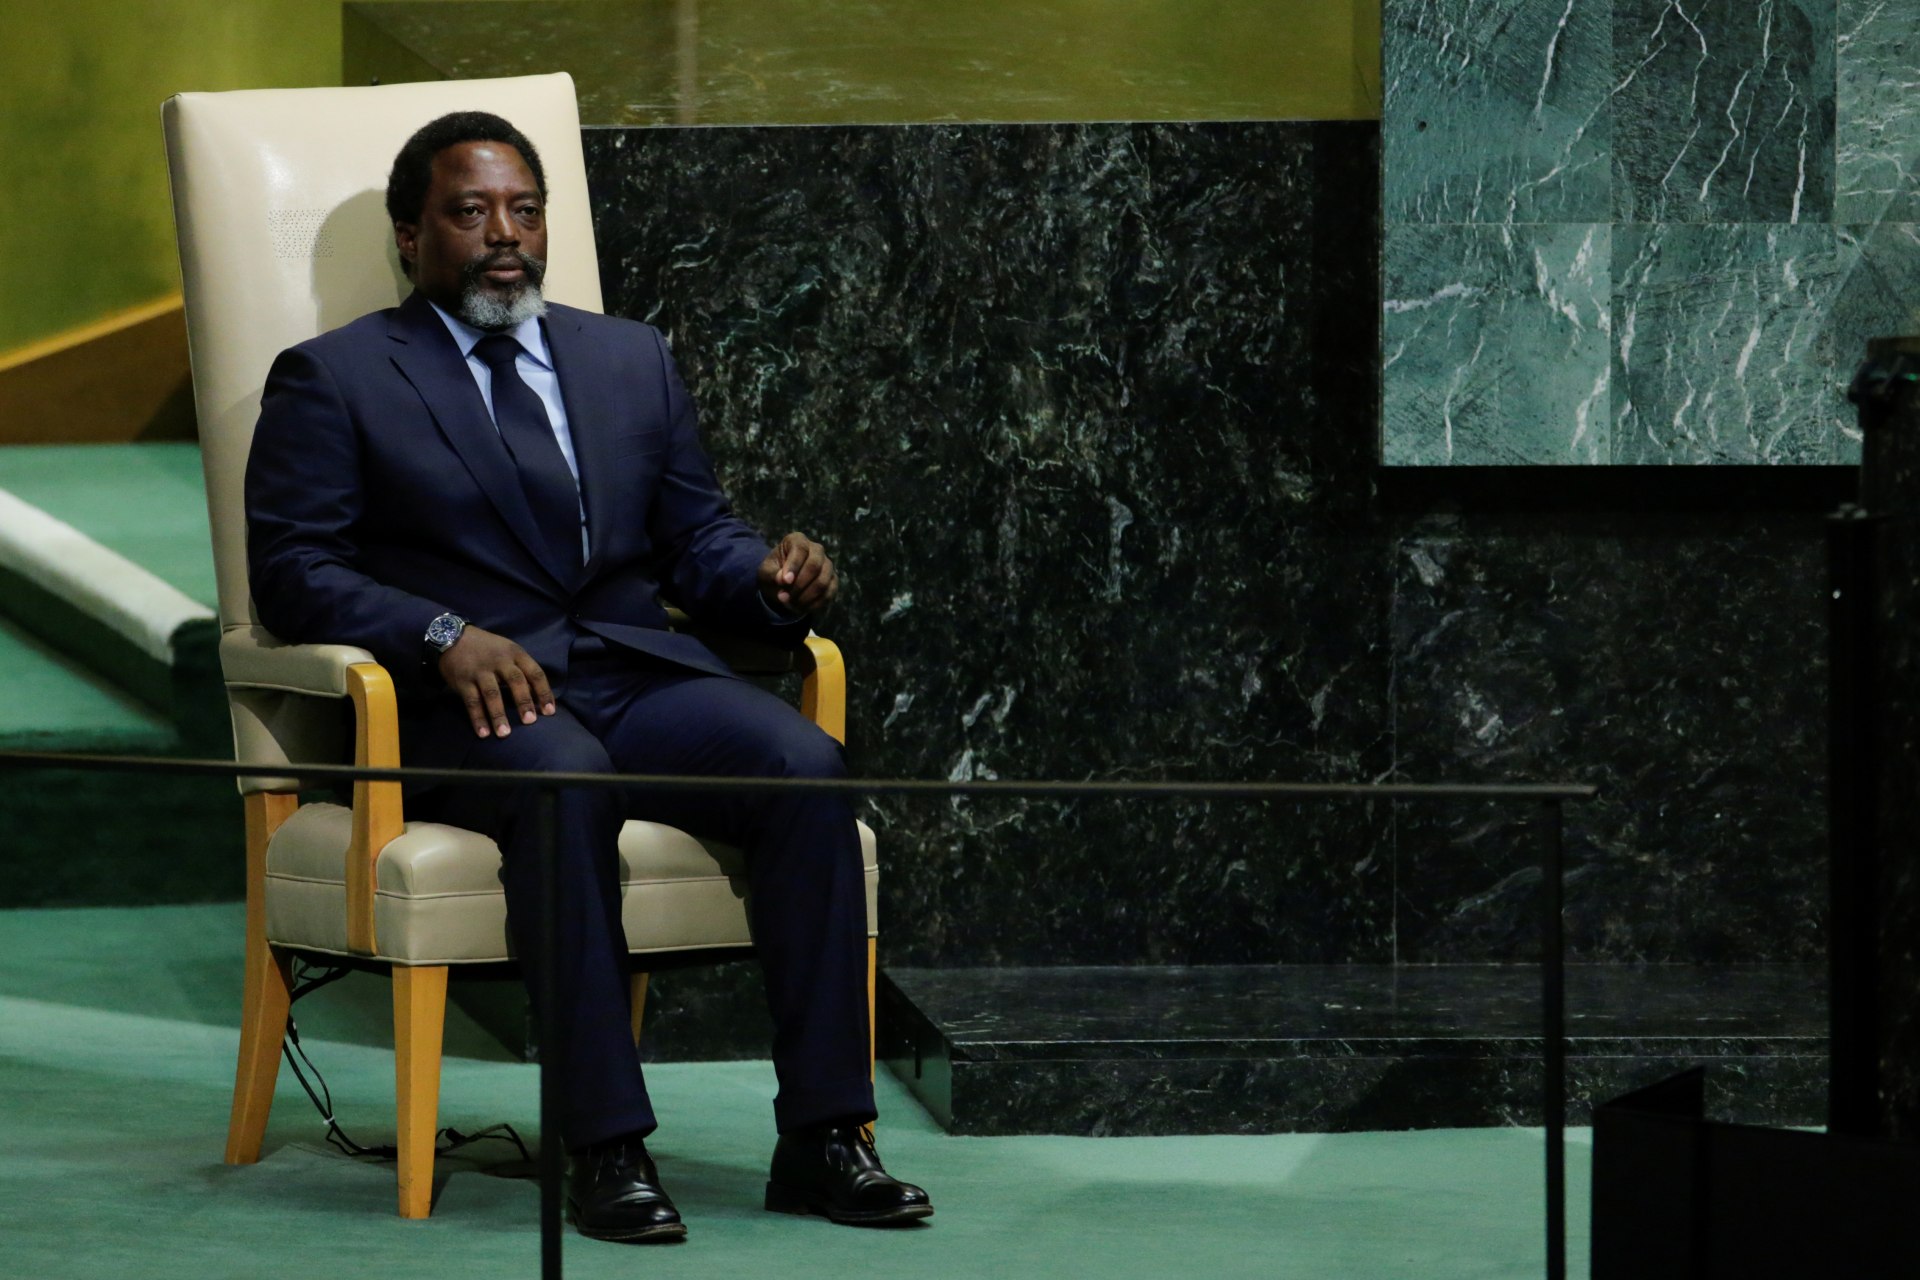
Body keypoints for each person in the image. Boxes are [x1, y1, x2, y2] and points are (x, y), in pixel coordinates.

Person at [244, 110, 931, 1243]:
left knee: (802, 763)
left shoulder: (626, 357)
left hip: (628, 671)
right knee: (564, 775)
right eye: (471, 212)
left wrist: (768, 578)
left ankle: (825, 1133)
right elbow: (295, 572)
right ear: (411, 236)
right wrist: (441, 631)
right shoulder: (339, 376)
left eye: (524, 209)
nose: (504, 235)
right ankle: (603, 1143)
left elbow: (694, 537)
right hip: (466, 702)